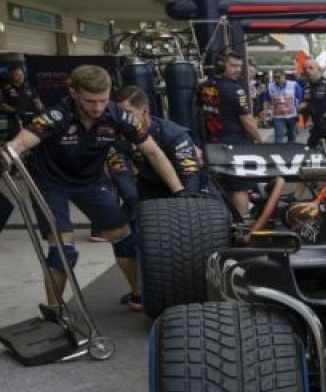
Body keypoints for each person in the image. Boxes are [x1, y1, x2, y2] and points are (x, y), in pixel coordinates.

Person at [2, 65, 188, 312]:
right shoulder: (56, 116)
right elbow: (22, 141)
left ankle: (139, 295)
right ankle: (55, 312)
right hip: (51, 183)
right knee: (62, 252)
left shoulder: (118, 116)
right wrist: (8, 154)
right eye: (91, 101)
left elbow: (153, 152)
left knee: (124, 238)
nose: (98, 108)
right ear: (74, 92)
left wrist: (179, 191)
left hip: (90, 181)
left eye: (103, 100)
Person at [196, 50, 259, 218]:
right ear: (222, 65)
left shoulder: (205, 86)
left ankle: (226, 223)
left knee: (223, 186)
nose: (238, 69)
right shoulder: (236, 90)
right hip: (236, 144)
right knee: (240, 187)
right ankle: (242, 225)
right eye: (233, 65)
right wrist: (259, 140)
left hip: (213, 143)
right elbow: (246, 119)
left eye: (240, 66)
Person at [298, 59, 326, 135]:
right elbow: (305, 104)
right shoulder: (307, 86)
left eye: (311, 68)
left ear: (319, 69)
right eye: (305, 69)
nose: (307, 71)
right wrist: (301, 108)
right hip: (316, 128)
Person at [1, 65, 43, 141]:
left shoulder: (29, 88)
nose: (20, 77)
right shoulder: (7, 90)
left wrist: (40, 107)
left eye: (22, 75)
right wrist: (16, 111)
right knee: (15, 139)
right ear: (12, 76)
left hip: (31, 118)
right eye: (17, 75)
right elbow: (3, 105)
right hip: (15, 120)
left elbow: (37, 101)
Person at [267, 70, 301, 143]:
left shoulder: (294, 85)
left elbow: (299, 97)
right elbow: (266, 99)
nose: (276, 79)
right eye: (275, 77)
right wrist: (266, 112)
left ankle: (291, 149)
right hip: (278, 116)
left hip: (291, 115)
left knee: (292, 134)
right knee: (278, 135)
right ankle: (278, 151)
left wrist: (298, 111)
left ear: (283, 76)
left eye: (278, 77)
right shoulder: (270, 86)